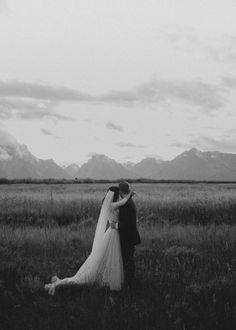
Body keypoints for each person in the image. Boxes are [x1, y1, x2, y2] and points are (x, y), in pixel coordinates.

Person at [44, 186, 134, 295]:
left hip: (112, 231)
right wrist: (130, 194)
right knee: (111, 255)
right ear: (115, 195)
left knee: (108, 255)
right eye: (118, 194)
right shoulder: (111, 205)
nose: (120, 195)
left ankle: (108, 276)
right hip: (113, 232)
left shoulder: (107, 204)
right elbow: (124, 201)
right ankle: (109, 279)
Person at [111, 181, 141, 289]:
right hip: (129, 236)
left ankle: (128, 284)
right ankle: (128, 281)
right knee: (128, 259)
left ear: (120, 191)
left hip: (128, 237)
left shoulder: (126, 205)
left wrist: (116, 225)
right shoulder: (128, 201)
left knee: (127, 260)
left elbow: (128, 224)